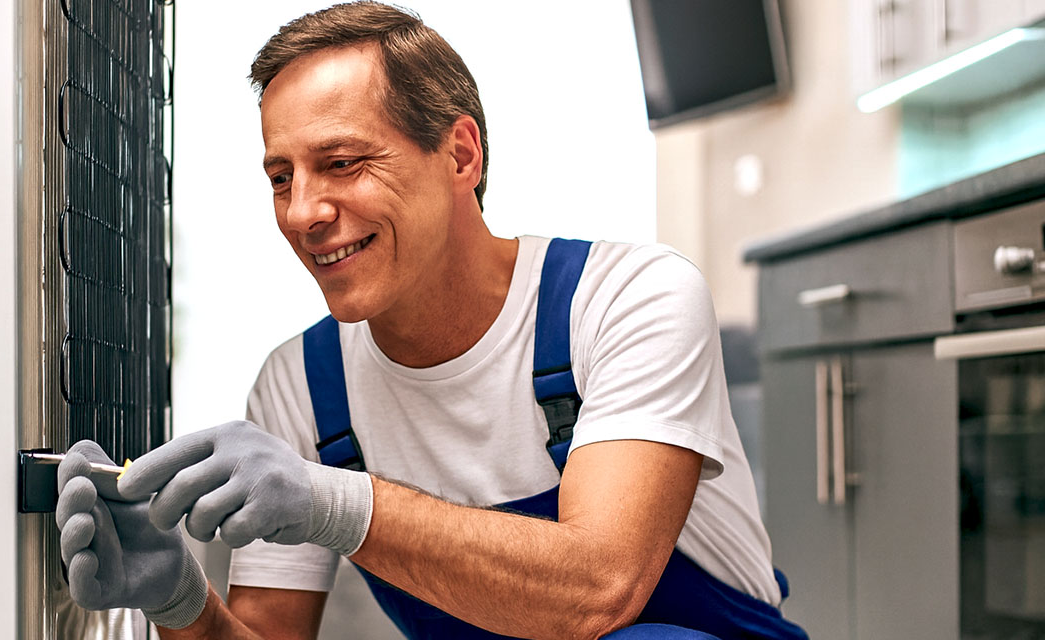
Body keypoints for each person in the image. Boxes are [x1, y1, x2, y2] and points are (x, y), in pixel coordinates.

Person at [54, 2, 808, 638]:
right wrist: (183, 603)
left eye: (342, 162)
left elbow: (598, 590)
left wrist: (332, 501)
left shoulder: (626, 299)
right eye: (281, 177)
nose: (304, 212)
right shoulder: (303, 387)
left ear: (460, 154)